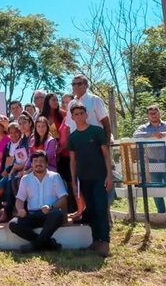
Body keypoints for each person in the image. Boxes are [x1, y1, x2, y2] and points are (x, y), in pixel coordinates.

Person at [68, 104, 112, 257]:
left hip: (100, 177)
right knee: (91, 210)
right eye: (76, 114)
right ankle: (95, 241)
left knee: (101, 208)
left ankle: (105, 242)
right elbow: (72, 161)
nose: (79, 116)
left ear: (86, 115)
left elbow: (106, 154)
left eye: (82, 113)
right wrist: (74, 181)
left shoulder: (97, 131)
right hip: (83, 179)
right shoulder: (72, 137)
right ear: (72, 118)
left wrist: (109, 175)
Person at [9, 151, 67, 252]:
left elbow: (63, 199)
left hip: (49, 214)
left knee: (57, 214)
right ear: (31, 164)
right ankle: (48, 244)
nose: (38, 163)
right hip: (33, 215)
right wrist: (20, 209)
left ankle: (35, 246)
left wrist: (51, 207)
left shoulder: (55, 176)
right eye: (35, 161)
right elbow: (19, 199)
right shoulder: (25, 179)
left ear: (46, 164)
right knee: (13, 224)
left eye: (41, 161)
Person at [133, 105, 166, 213]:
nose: (153, 115)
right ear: (148, 116)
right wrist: (152, 134)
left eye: (155, 113)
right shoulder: (144, 127)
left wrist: (164, 134)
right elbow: (136, 135)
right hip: (152, 162)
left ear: (159, 113)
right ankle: (161, 213)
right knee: (155, 189)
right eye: (151, 113)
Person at [0, 122, 28, 223]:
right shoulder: (8, 145)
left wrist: (9, 171)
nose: (13, 134)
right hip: (8, 171)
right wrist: (2, 172)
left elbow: (18, 161)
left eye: (16, 132)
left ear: (19, 132)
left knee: (8, 182)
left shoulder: (23, 144)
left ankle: (7, 212)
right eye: (11, 132)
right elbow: (4, 160)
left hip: (18, 170)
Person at [64, 75, 112, 144]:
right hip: (77, 144)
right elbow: (69, 126)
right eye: (73, 84)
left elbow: (106, 122)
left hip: (95, 143)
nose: (76, 86)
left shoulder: (95, 100)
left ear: (86, 85)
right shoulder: (71, 104)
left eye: (79, 84)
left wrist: (107, 143)